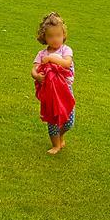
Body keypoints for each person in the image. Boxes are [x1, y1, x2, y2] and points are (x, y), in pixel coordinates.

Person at [31, 12, 75, 155]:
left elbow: (67, 64)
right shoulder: (41, 54)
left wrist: (51, 59)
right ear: (44, 37)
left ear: (63, 35)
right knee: (52, 119)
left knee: (69, 121)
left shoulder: (65, 50)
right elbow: (34, 69)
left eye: (58, 35)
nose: (55, 39)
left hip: (65, 90)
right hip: (50, 91)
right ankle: (56, 144)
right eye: (51, 36)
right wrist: (37, 76)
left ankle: (61, 135)